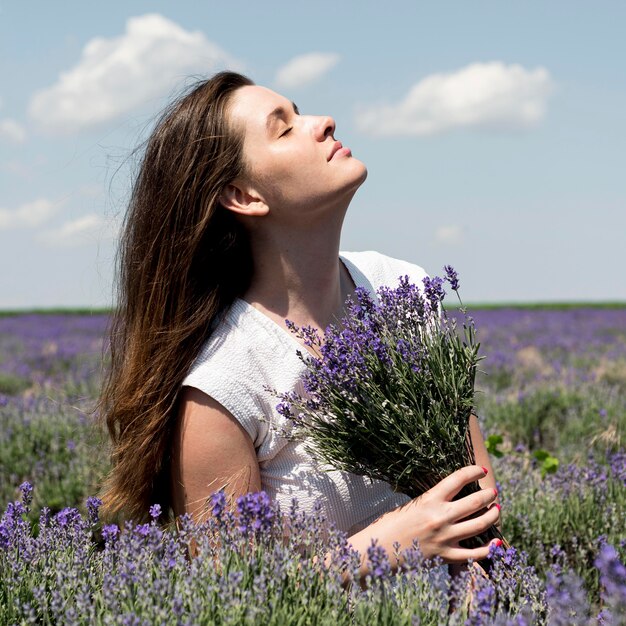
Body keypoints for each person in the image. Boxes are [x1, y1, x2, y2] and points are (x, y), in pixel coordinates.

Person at [99, 71, 501, 581]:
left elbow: (480, 491)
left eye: (300, 111)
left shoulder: (402, 289)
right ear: (243, 195)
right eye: (284, 128)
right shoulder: (226, 384)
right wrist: (396, 541)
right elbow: (237, 595)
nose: (323, 122)